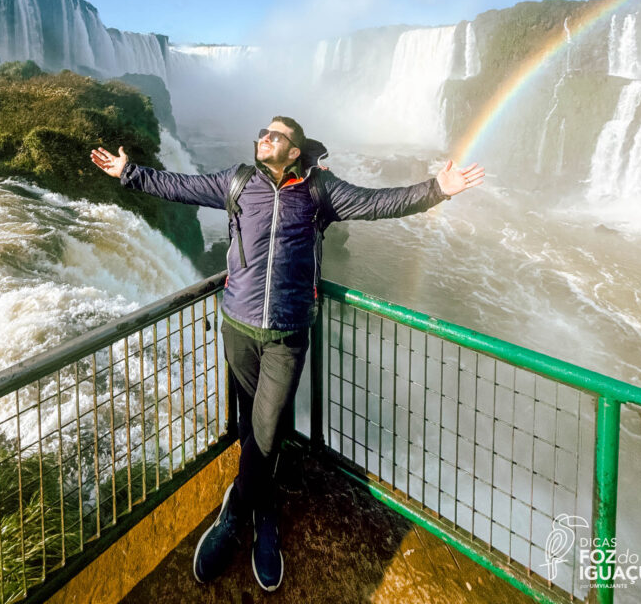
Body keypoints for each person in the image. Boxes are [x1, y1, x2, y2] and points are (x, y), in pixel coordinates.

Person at [91, 116, 484, 593]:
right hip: (237, 326)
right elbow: (181, 186)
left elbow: (379, 203)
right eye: (262, 132)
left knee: (268, 426)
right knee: (250, 427)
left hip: (287, 333)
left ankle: (239, 514)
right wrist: (130, 173)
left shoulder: (321, 192)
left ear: (295, 150)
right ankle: (265, 507)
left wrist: (437, 188)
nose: (263, 138)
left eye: (274, 135)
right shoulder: (237, 182)